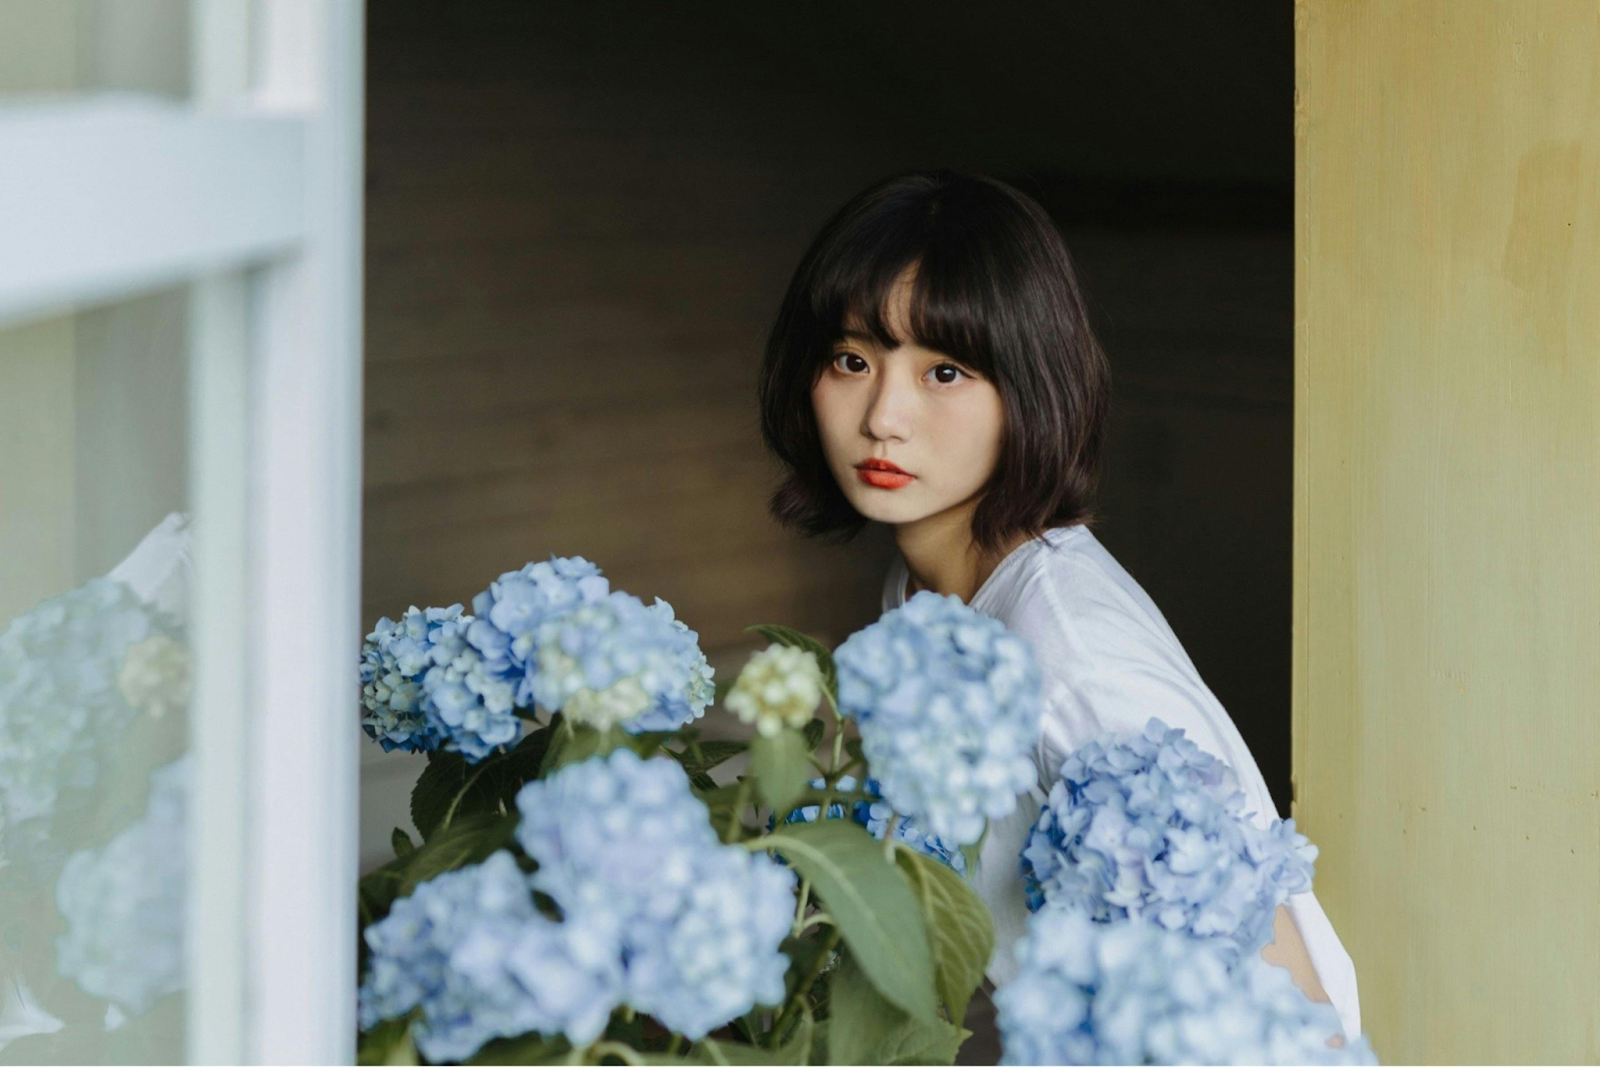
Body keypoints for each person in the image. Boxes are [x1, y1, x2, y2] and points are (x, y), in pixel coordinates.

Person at [756, 169, 1361, 1043]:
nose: (883, 416)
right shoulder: (930, 593)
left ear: (1030, 389)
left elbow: (1296, 1030)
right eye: (853, 360)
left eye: (946, 370)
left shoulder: (1071, 661)